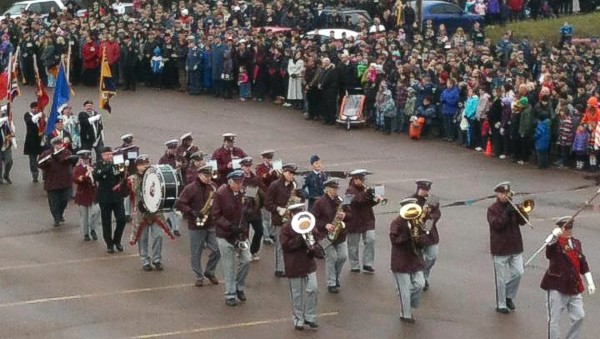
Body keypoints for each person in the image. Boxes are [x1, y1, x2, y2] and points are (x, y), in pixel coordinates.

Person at [541, 216, 596, 339]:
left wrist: (590, 282)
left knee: (579, 316)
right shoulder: (555, 243)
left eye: (570, 229)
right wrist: (553, 236)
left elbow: (583, 264)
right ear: (560, 229)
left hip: (573, 285)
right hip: (557, 285)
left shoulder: (576, 243)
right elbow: (548, 252)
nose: (569, 232)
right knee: (554, 320)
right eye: (566, 229)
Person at [176, 164, 221, 287]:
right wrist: (192, 212)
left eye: (209, 176)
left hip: (210, 223)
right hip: (196, 225)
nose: (208, 178)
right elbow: (180, 203)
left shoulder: (213, 187)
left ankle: (210, 271)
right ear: (199, 175)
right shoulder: (190, 188)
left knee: (217, 249)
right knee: (196, 252)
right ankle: (198, 276)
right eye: (205, 175)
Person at [128, 155, 175, 271]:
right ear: (137, 166)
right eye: (141, 164)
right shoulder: (133, 179)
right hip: (141, 214)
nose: (144, 167)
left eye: (146, 164)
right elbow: (126, 191)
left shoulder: (156, 176)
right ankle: (145, 261)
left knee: (158, 236)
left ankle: (157, 259)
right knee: (142, 238)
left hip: (155, 212)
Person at [487, 181, 528, 314]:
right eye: (503, 193)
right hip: (500, 248)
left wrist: (520, 211)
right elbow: (497, 225)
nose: (505, 196)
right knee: (500, 278)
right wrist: (506, 213)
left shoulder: (513, 207)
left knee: (519, 272)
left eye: (507, 193)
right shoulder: (492, 209)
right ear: (497, 194)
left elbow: (523, 222)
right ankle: (501, 304)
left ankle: (508, 295)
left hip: (515, 246)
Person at [280, 202, 320, 331]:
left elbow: (316, 237)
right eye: (296, 213)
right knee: (297, 294)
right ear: (291, 215)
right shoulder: (286, 228)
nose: (299, 216)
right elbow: (286, 246)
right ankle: (298, 319)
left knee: (313, 289)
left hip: (308, 263)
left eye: (301, 213)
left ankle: (310, 316)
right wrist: (300, 238)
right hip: (294, 264)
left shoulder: (308, 224)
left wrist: (313, 243)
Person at [212, 170, 250, 307]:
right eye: (237, 183)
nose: (239, 185)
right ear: (230, 182)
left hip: (241, 234)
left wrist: (251, 209)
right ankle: (230, 294)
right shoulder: (220, 194)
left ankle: (239, 286)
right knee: (229, 266)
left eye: (241, 183)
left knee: (246, 260)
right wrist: (229, 226)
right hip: (225, 235)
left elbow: (248, 210)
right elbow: (216, 215)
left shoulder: (243, 193)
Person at [390, 197, 427, 323]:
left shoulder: (417, 222)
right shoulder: (396, 223)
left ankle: (402, 295)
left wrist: (420, 237)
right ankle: (405, 314)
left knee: (420, 284)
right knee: (405, 289)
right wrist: (408, 235)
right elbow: (394, 241)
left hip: (415, 260)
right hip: (401, 261)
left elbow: (423, 242)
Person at [265, 163, 302, 277]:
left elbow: (296, 201)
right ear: (284, 172)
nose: (292, 176)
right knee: (281, 245)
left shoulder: (294, 185)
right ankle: (279, 268)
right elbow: (267, 203)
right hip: (279, 219)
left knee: (293, 244)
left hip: (291, 220)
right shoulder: (275, 185)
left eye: (293, 174)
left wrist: (300, 198)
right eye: (290, 173)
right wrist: (278, 209)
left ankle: (291, 266)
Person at [312, 178, 348, 293]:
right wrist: (325, 225)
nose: (335, 190)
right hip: (324, 235)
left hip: (339, 234)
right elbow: (313, 219)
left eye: (336, 188)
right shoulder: (320, 202)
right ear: (327, 189)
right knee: (331, 258)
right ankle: (331, 283)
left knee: (343, 257)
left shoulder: (340, 201)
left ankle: (335, 277)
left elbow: (350, 214)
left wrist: (345, 215)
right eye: (333, 188)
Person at [345, 169, 382, 274]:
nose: (362, 182)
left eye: (363, 179)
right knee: (353, 245)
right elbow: (355, 202)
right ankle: (354, 264)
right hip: (354, 220)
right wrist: (366, 194)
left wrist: (376, 200)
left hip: (367, 219)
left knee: (371, 240)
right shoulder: (349, 190)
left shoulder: (365, 189)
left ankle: (368, 264)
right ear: (354, 179)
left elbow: (368, 203)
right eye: (360, 179)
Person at [93, 146, 127, 253]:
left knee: (122, 219)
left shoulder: (117, 162)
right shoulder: (99, 164)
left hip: (117, 197)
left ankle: (117, 240)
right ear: (102, 156)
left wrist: (121, 165)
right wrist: (109, 166)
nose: (108, 156)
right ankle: (109, 243)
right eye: (106, 154)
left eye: (110, 154)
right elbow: (97, 175)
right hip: (105, 197)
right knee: (106, 222)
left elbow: (121, 175)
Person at [411, 180, 441, 291]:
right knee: (417, 258)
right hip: (415, 232)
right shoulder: (411, 200)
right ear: (418, 188)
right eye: (423, 189)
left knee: (432, 256)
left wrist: (429, 217)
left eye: (427, 190)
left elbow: (437, 214)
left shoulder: (432, 199)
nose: (425, 192)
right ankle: (421, 279)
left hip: (430, 234)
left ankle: (424, 274)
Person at [37, 137, 73, 227]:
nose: (59, 145)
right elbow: (40, 164)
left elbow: (70, 161)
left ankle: (60, 214)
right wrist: (47, 161)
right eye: (57, 144)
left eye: (60, 143)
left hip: (65, 182)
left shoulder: (66, 152)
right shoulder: (47, 153)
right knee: (53, 202)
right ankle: (56, 218)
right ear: (53, 145)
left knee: (64, 200)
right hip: (52, 182)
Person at [239, 157, 265, 261]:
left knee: (259, 231)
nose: (248, 168)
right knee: (243, 234)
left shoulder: (256, 179)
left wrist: (260, 205)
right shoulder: (238, 179)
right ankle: (243, 252)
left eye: (249, 166)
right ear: (241, 167)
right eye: (246, 166)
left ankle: (253, 251)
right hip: (243, 212)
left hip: (255, 211)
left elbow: (263, 193)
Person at [73, 149, 99, 241]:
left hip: (93, 194)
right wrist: (86, 174)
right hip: (83, 194)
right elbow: (77, 180)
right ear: (80, 159)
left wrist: (94, 172)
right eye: (84, 159)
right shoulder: (78, 169)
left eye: (87, 158)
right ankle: (85, 233)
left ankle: (92, 229)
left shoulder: (93, 166)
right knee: (84, 216)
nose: (86, 160)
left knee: (96, 212)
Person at [159, 139, 182, 237]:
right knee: (171, 206)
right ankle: (173, 227)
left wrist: (181, 166)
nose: (174, 151)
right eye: (172, 149)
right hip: (169, 185)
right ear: (168, 149)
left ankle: (174, 225)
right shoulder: (163, 159)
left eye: (175, 149)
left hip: (179, 184)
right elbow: (160, 172)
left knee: (177, 207)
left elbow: (186, 166)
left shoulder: (179, 158)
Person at [23, 102, 44, 183]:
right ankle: (35, 175)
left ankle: (45, 174)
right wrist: (39, 115)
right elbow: (30, 122)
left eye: (37, 108)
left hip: (41, 140)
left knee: (45, 158)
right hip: (31, 140)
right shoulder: (27, 115)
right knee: (33, 160)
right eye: (34, 108)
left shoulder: (41, 115)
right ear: (31, 108)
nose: (36, 109)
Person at [0, 109, 15, 184]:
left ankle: (6, 175)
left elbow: (10, 132)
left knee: (9, 161)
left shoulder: (5, 123)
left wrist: (10, 136)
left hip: (6, 146)